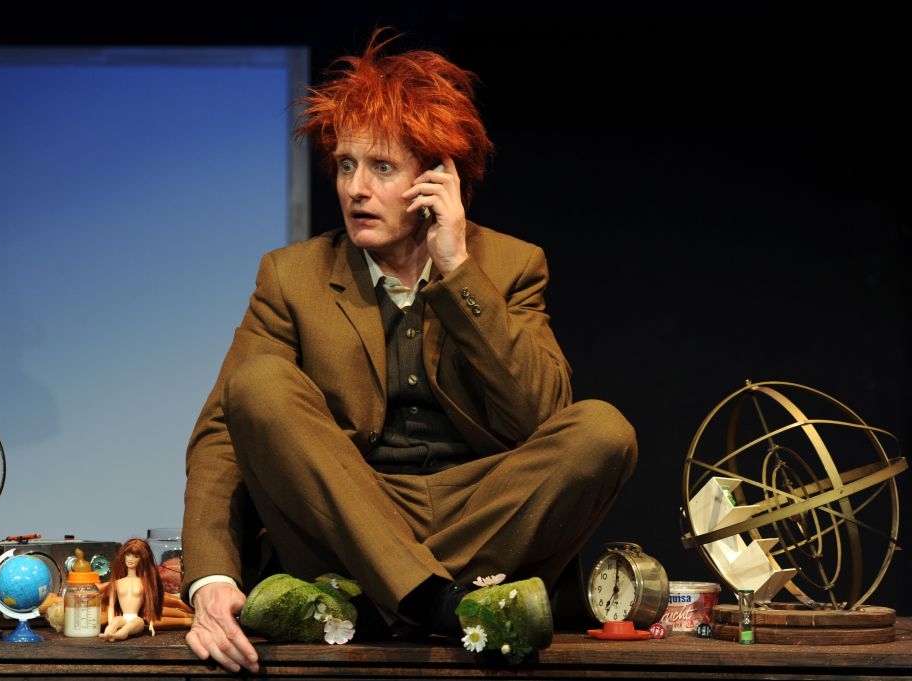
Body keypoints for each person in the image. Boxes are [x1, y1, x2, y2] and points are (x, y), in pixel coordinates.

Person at [181, 27, 638, 673]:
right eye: (346, 165)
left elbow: (538, 416)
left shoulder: (511, 265)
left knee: (601, 430)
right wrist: (212, 579)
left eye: (381, 168)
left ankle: (371, 605)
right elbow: (222, 437)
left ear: (439, 178)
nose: (355, 189)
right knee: (258, 385)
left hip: (481, 513)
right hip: (347, 510)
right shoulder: (291, 275)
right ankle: (439, 604)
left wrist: (458, 272)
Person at [99, 537, 164, 641]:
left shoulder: (144, 583)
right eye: (128, 555)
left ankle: (118, 635)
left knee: (131, 626)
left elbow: (150, 605)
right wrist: (110, 623)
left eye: (136, 556)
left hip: (136, 619)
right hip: (123, 618)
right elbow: (111, 606)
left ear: (142, 559)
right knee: (115, 621)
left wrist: (151, 625)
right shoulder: (117, 583)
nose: (130, 559)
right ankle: (108, 633)